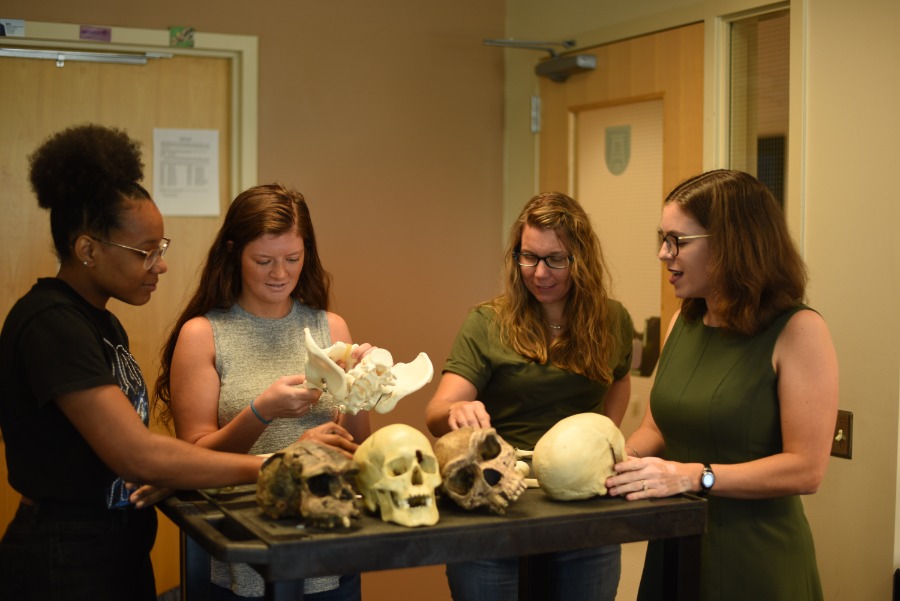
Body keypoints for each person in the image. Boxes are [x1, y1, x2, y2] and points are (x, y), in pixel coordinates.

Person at [0, 124, 265, 601]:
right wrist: (268, 467)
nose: (160, 265)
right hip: (66, 564)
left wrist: (167, 471)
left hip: (112, 553)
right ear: (87, 250)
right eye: (146, 252)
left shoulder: (103, 324)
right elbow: (133, 454)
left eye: (161, 250)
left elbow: (125, 454)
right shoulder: (50, 323)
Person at [606, 169, 838, 601]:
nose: (663, 253)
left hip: (755, 558)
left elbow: (807, 469)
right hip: (675, 545)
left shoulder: (799, 331)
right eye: (662, 237)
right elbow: (657, 430)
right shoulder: (683, 322)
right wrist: (616, 464)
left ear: (731, 243)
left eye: (678, 240)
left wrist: (696, 477)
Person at [154, 183, 371, 601]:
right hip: (243, 547)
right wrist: (262, 411)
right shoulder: (204, 335)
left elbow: (356, 445)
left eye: (293, 259)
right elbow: (196, 459)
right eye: (263, 261)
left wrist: (360, 390)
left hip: (329, 540)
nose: (280, 274)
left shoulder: (331, 327)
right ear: (234, 253)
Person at [425, 191, 634, 601]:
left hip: (584, 510)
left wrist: (605, 437)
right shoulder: (488, 322)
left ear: (582, 260)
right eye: (528, 257)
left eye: (555, 259)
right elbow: (436, 412)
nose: (539, 273)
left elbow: (620, 378)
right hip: (497, 504)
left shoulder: (613, 320)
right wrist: (457, 410)